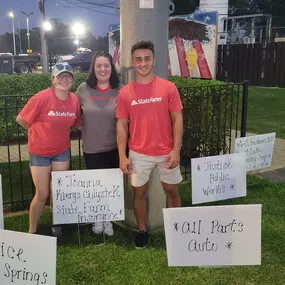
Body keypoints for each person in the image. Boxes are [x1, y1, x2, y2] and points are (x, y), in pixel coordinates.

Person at [116, 40, 184, 248]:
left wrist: (176, 150)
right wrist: (122, 155)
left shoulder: (168, 88)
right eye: (138, 59)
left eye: (147, 59)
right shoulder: (125, 93)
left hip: (166, 153)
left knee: (172, 191)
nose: (143, 63)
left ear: (154, 60)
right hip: (138, 152)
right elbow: (121, 125)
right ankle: (142, 230)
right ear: (133, 63)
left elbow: (178, 119)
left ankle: (177, 229)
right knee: (139, 193)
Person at [16, 62, 82, 237]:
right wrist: (35, 132)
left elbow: (76, 123)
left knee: (58, 192)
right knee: (43, 193)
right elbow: (21, 119)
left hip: (61, 151)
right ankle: (32, 230)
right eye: (60, 76)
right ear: (53, 79)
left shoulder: (74, 99)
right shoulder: (42, 98)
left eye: (68, 76)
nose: (64, 79)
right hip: (39, 153)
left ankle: (56, 224)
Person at [76, 52, 120, 236]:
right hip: (92, 148)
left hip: (114, 147)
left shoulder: (121, 89)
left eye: (106, 65)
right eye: (99, 66)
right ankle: (97, 217)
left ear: (112, 67)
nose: (103, 69)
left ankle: (108, 218)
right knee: (96, 186)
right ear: (93, 68)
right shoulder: (83, 89)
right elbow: (73, 113)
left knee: (110, 186)